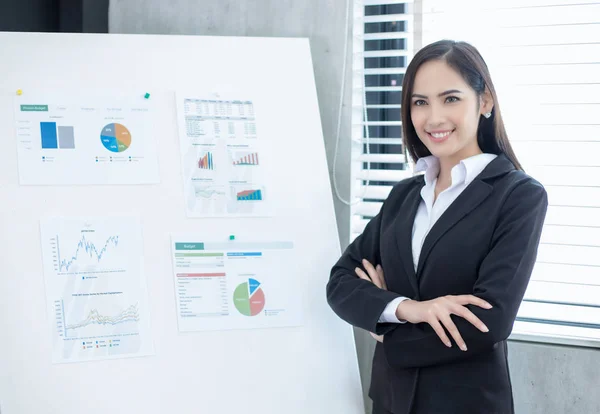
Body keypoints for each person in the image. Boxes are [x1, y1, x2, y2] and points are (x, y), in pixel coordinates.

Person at [326, 40, 548, 414]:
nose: (433, 118)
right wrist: (407, 309)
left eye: (450, 99)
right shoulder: (403, 195)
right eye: (420, 102)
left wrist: (384, 330)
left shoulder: (518, 196)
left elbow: (488, 322)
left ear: (485, 102)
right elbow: (341, 282)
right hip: (391, 401)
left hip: (465, 404)